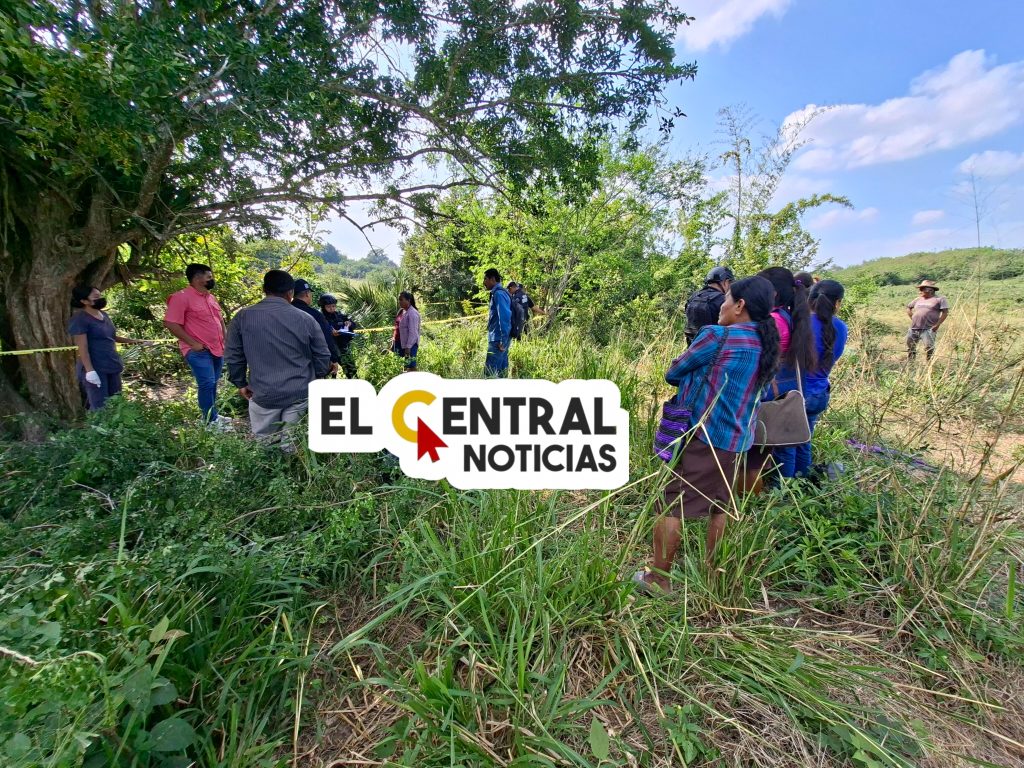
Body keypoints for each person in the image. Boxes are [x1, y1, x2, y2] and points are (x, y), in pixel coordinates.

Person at [633, 276, 781, 593]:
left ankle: (659, 580)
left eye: (726, 300)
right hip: (739, 440)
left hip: (704, 435)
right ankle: (715, 577)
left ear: (739, 305)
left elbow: (673, 372)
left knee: (670, 504)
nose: (720, 307)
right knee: (721, 506)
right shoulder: (766, 343)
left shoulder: (716, 336)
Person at [225, 270, 331, 440]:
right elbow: (323, 354)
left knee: (265, 442)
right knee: (292, 442)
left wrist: (240, 382)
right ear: (290, 293)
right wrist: (317, 377)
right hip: (300, 391)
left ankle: (268, 455)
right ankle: (291, 455)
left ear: (264, 289)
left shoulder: (242, 317)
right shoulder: (306, 318)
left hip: (263, 393)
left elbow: (233, 355)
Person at [771, 279, 848, 478]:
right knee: (804, 441)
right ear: (837, 303)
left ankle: (784, 489)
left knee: (786, 445)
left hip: (794, 393)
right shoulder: (841, 328)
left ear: (809, 298)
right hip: (819, 394)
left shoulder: (797, 323)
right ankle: (802, 482)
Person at [747, 266, 817, 482]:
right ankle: (798, 482)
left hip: (774, 388)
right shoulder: (790, 314)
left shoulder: (774, 320)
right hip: (789, 386)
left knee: (780, 442)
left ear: (773, 293)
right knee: (792, 441)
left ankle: (782, 489)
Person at [164, 263, 228, 426]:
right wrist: (192, 343)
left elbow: (220, 320)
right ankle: (209, 421)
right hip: (198, 351)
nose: (212, 279)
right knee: (206, 383)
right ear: (197, 278)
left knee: (213, 383)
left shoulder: (211, 297)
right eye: (209, 277)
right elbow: (171, 323)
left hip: (216, 348)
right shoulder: (181, 297)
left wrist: (225, 339)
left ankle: (213, 415)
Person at [68, 286, 149, 410]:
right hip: (95, 367)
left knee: (116, 402)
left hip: (111, 363)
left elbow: (111, 336)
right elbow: (82, 347)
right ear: (84, 301)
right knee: (100, 406)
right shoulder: (80, 319)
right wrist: (90, 371)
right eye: (95, 297)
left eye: (100, 296)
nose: (100, 299)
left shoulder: (104, 315)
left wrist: (135, 342)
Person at [291, 279, 340, 378]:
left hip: (285, 365)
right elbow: (326, 338)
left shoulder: (281, 312)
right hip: (310, 366)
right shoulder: (315, 314)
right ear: (307, 294)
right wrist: (334, 360)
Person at [684, 266, 734, 345]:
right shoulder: (724, 300)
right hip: (715, 347)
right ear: (726, 282)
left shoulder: (693, 297)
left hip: (693, 347)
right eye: (730, 283)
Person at [906, 280, 949, 360]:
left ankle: (929, 363)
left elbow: (945, 313)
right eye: (921, 289)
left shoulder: (940, 299)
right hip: (914, 327)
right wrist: (913, 317)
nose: (920, 291)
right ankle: (911, 363)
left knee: (929, 348)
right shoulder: (918, 299)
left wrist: (937, 325)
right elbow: (908, 307)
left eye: (922, 289)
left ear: (930, 290)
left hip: (928, 328)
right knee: (910, 346)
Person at [319, 293, 359, 379]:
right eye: (329, 307)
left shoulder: (340, 315)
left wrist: (349, 323)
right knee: (327, 373)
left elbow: (353, 324)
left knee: (351, 371)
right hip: (327, 350)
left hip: (342, 347)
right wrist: (329, 332)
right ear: (323, 307)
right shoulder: (320, 318)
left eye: (333, 306)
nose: (332, 308)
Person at [483, 268, 512, 377]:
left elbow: (505, 317)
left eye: (485, 279)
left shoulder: (499, 294)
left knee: (489, 372)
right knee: (501, 372)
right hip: (500, 338)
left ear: (492, 279)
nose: (484, 282)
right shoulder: (501, 293)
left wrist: (503, 340)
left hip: (498, 339)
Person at [397, 291, 421, 371]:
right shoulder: (405, 312)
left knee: (411, 367)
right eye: (399, 300)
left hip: (411, 345)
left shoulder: (412, 313)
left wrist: (408, 347)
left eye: (401, 299)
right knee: (406, 367)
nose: (399, 302)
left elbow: (413, 333)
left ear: (408, 300)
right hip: (406, 345)